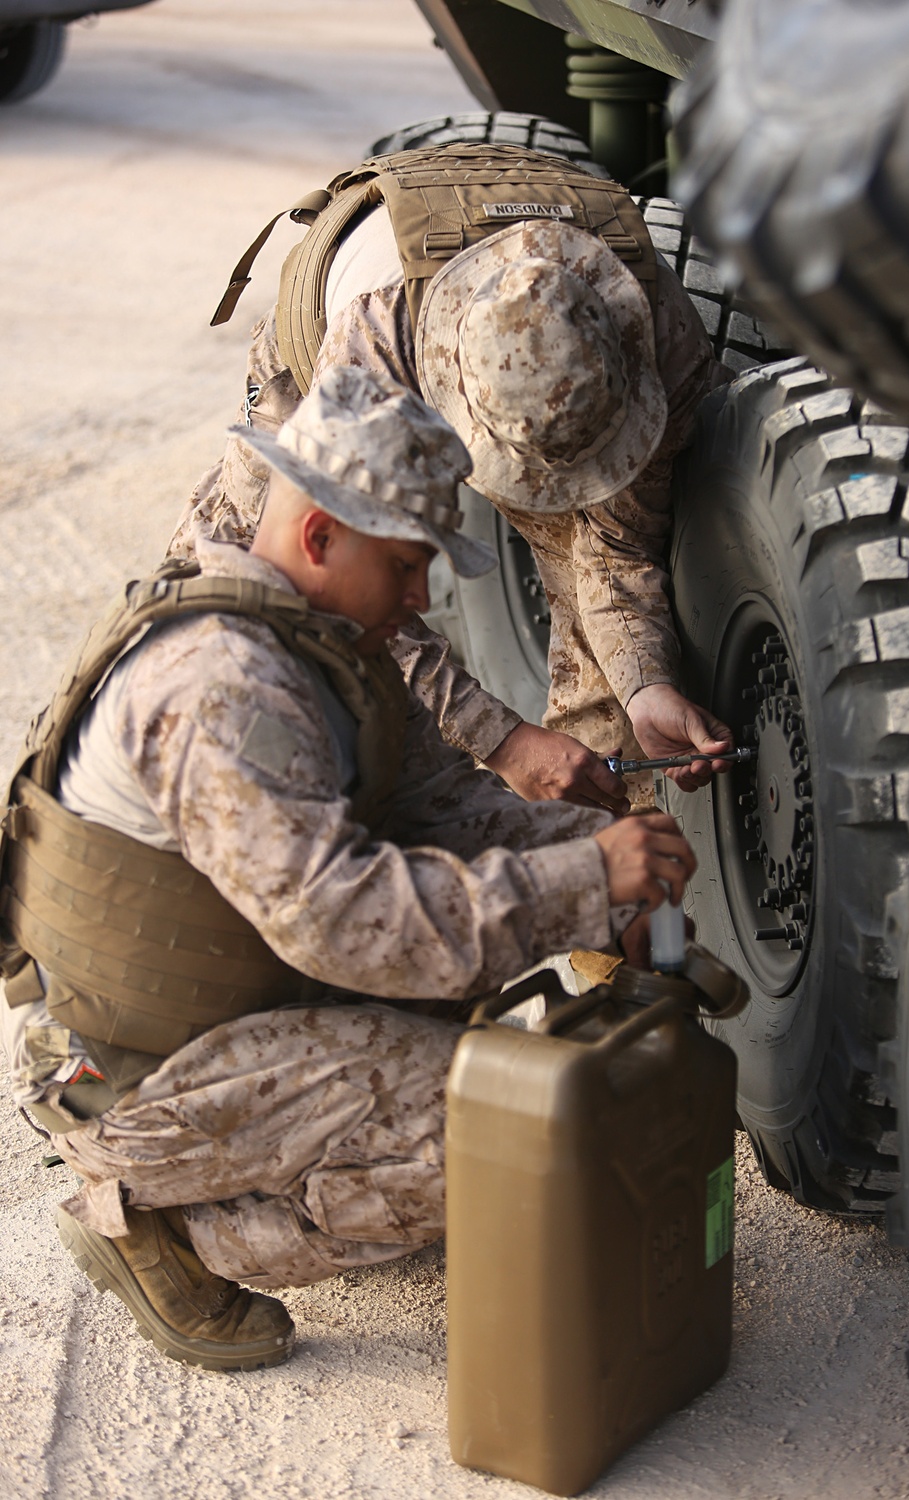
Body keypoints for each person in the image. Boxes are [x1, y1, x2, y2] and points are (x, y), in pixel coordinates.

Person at [0, 368, 697, 1372]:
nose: (419, 598)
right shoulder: (222, 690)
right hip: (118, 1066)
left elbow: (442, 809)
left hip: (218, 997)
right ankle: (158, 1230)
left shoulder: (321, 643)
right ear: (319, 538)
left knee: (528, 971)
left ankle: (296, 1138)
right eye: (406, 566)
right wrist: (587, 883)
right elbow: (345, 922)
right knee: (500, 1136)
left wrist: (598, 868)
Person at [172, 141, 734, 808]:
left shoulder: (664, 347)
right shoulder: (370, 359)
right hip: (348, 319)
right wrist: (501, 740)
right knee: (242, 574)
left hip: (533, 276)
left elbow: (614, 555)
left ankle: (581, 848)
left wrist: (648, 689)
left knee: (606, 708)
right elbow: (352, 590)